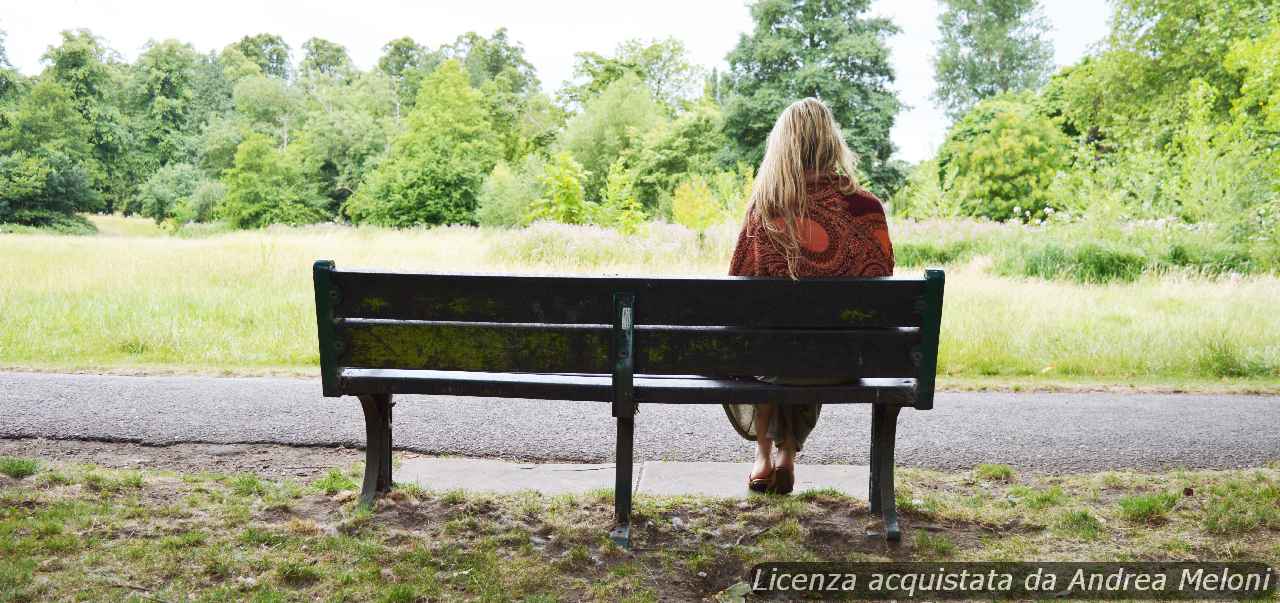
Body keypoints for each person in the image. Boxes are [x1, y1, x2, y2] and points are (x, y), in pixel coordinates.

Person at [723, 97, 895, 495]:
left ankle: (764, 459)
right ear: (832, 143)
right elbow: (882, 281)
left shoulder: (765, 208)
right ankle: (788, 458)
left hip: (773, 360)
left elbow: (738, 293)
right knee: (816, 340)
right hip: (844, 361)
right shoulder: (866, 208)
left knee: (772, 344)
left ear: (783, 146)